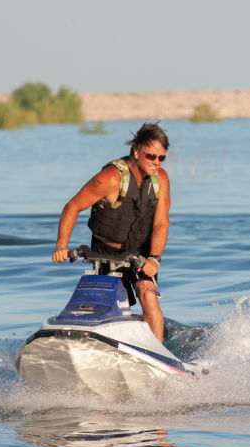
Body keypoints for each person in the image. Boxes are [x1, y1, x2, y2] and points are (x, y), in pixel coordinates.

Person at [53, 122, 171, 342]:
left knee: (148, 296)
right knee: (99, 303)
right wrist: (61, 245)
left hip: (140, 253)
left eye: (161, 158)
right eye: (150, 156)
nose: (156, 162)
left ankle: (159, 354)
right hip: (104, 251)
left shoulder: (160, 179)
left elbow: (161, 223)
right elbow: (73, 206)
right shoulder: (110, 178)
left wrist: (154, 258)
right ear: (136, 152)